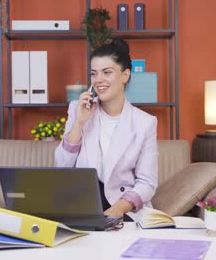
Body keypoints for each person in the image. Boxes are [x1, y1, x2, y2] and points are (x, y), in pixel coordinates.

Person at [55, 38, 158, 221]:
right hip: (82, 206)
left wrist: (117, 209)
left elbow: (147, 183)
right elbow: (61, 168)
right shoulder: (77, 109)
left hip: (124, 209)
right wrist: (79, 123)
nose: (98, 80)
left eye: (107, 72)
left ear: (125, 76)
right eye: (94, 74)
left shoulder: (145, 123)